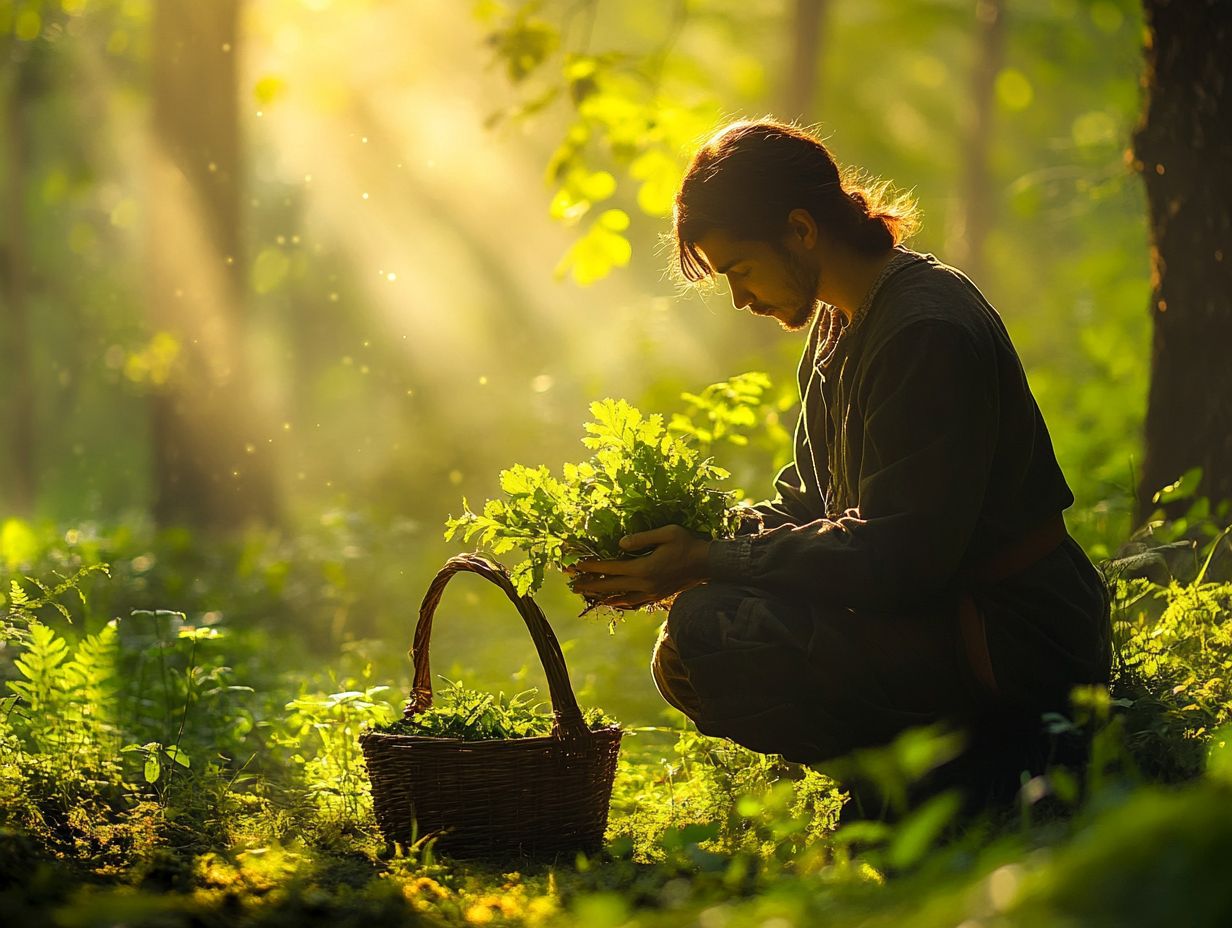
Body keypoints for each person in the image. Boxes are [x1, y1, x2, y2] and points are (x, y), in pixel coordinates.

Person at [567, 119, 1111, 797]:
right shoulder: (836, 323)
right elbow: (806, 506)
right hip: (935, 615)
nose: (740, 298)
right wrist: (676, 545)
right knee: (689, 644)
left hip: (1012, 639)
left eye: (740, 268)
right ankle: (916, 780)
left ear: (800, 229)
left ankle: (971, 775)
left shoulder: (924, 332)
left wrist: (707, 562)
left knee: (712, 631)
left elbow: (899, 561)